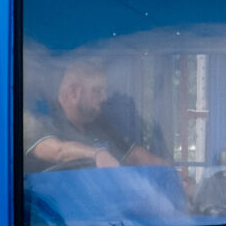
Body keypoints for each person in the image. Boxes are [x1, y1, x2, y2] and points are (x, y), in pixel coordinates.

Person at [26, 58, 165, 173]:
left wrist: (170, 169)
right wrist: (96, 154)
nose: (104, 98)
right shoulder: (42, 118)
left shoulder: (99, 124)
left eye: (105, 91)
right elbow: (58, 151)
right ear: (74, 92)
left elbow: (133, 154)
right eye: (97, 91)